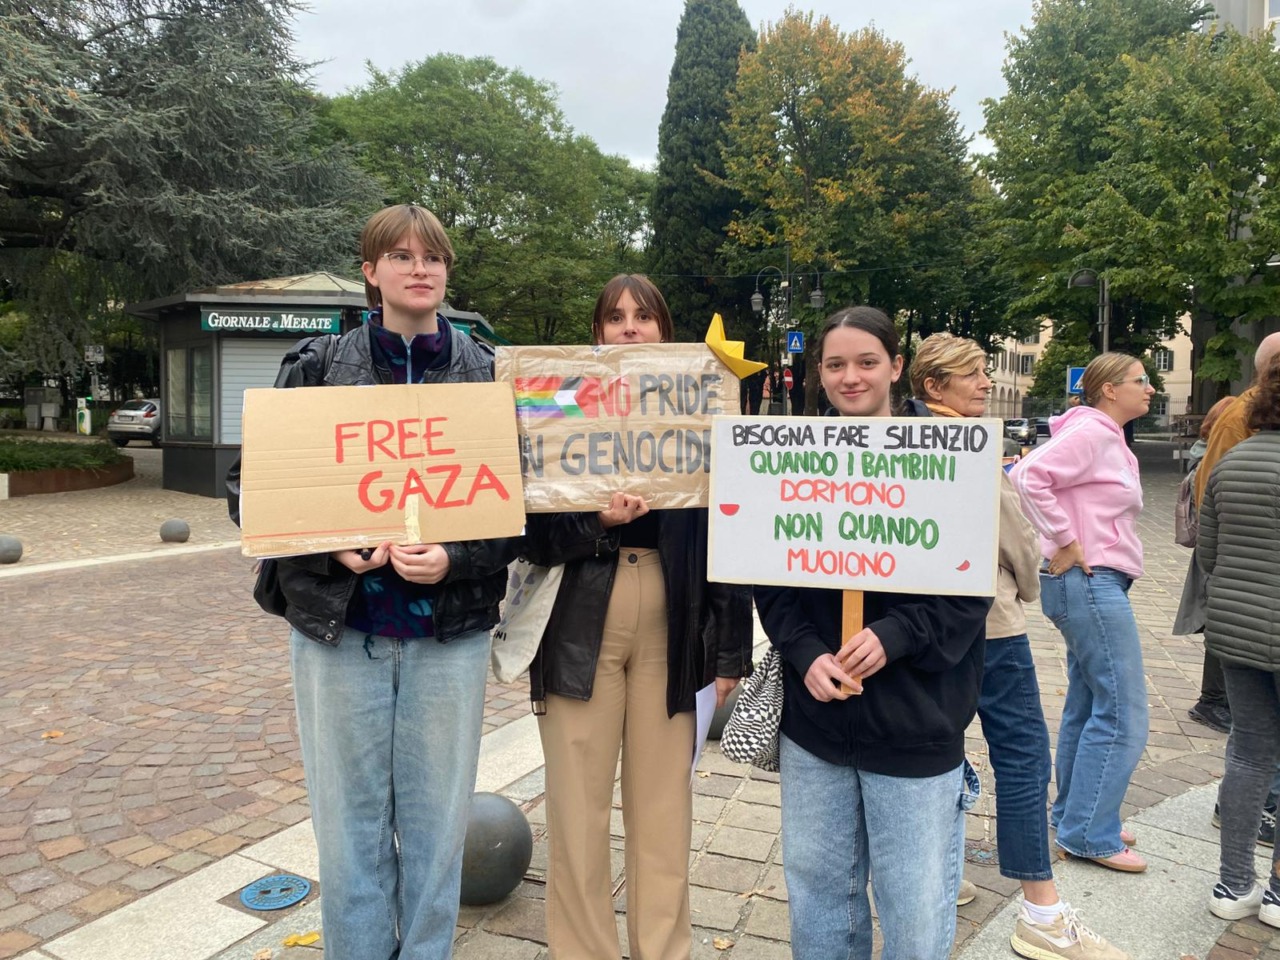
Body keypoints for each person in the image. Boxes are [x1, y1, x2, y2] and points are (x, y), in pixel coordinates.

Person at [227, 204, 519, 960]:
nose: (419, 268)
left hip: (445, 637)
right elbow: (249, 488)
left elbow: (519, 512)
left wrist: (456, 559)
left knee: (437, 824)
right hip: (341, 633)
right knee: (348, 824)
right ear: (371, 271)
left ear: (447, 271)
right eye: (401, 255)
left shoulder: (487, 374)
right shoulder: (318, 366)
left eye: (432, 257)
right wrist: (330, 548)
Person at [522, 274, 753, 960]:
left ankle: (664, 950)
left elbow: (730, 536)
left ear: (664, 329)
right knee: (577, 811)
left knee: (662, 811)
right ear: (596, 333)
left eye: (643, 317)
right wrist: (593, 523)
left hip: (674, 619)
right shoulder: (557, 402)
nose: (628, 328)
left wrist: (730, 655)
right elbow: (526, 536)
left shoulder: (700, 406)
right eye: (615, 317)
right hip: (578, 621)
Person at [754, 307, 990, 960]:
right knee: (819, 893)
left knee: (915, 908)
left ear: (896, 366)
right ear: (818, 372)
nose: (850, 376)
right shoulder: (791, 459)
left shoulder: (952, 456)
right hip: (817, 723)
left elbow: (969, 594)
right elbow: (770, 582)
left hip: (916, 720)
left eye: (865, 361)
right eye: (835, 364)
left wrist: (895, 633)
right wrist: (803, 654)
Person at [911, 334, 1129, 959]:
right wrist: (1033, 579)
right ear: (934, 386)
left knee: (939, 747)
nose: (985, 383)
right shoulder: (973, 449)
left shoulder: (904, 439)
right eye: (972, 374)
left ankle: (943, 874)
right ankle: (1040, 907)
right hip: (990, 623)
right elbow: (1018, 548)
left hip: (919, 627)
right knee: (1025, 755)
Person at [1011, 353, 1154, 874]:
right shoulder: (1093, 433)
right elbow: (1028, 475)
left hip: (1089, 581)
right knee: (1123, 711)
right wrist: (1066, 539)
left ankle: (1077, 814)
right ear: (1110, 390)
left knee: (1090, 700)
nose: (1151, 388)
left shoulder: (1102, 435)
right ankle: (1089, 831)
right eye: (1141, 380)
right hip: (1089, 580)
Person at [1197, 353, 1280, 927]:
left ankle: (1233, 885)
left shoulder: (1232, 461)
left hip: (1237, 630)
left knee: (1249, 753)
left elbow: (1208, 554)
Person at [1174, 395, 1238, 734]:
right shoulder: (1213, 458)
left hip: (1217, 549)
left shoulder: (1208, 453)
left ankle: (1217, 700)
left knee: (1219, 616)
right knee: (1219, 618)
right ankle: (1212, 700)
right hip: (1219, 549)